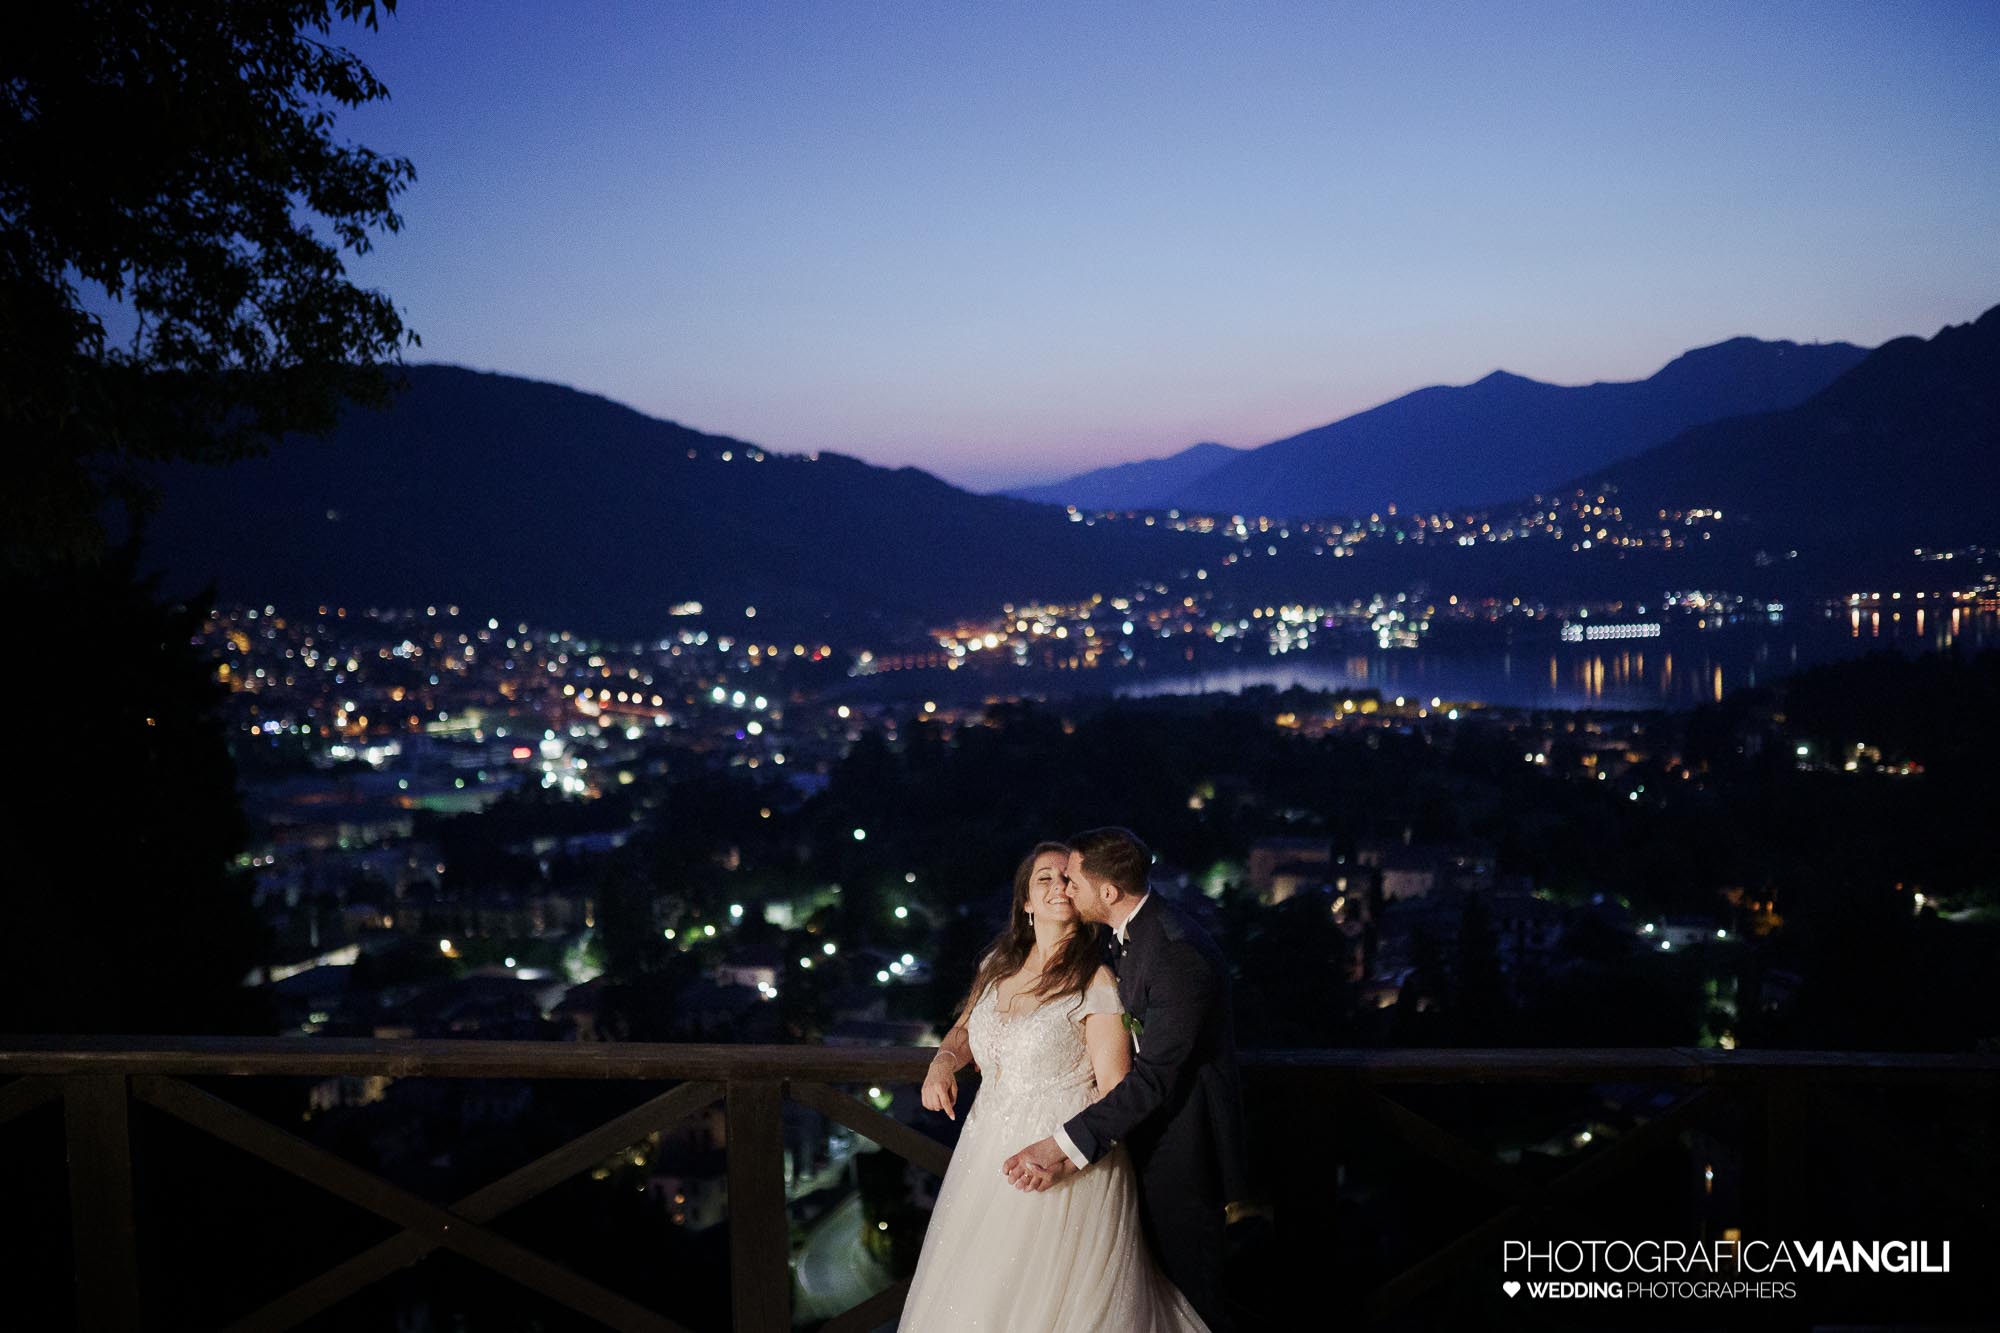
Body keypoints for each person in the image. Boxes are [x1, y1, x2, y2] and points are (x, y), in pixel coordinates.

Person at [900, 841, 1209, 1331]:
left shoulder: (1097, 980)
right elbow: (963, 1030)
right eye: (1044, 878)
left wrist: (1065, 1158)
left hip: (1058, 1159)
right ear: (1025, 900)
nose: (1059, 886)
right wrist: (942, 1061)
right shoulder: (997, 964)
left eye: (1068, 878)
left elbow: (1116, 1089)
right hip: (985, 1150)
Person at [1001, 827, 1248, 1333]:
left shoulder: (1177, 954)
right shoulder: (1129, 937)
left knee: (1194, 1305)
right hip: (1141, 1142)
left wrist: (1059, 1146)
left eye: (1073, 881)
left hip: (1182, 1152)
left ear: (1108, 892)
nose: (1065, 889)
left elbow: (1155, 1078)